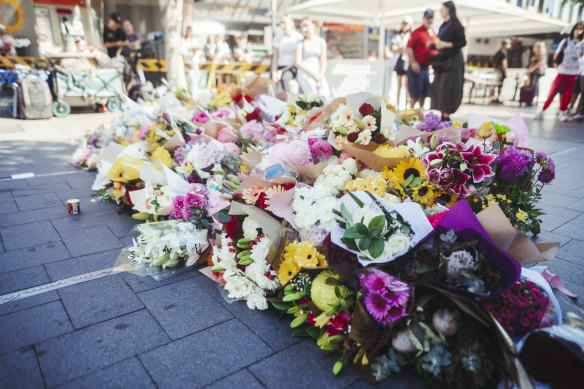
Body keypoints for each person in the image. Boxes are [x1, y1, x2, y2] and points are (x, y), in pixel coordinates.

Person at [535, 22, 584, 121]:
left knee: (568, 93)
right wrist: (556, 65)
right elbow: (556, 55)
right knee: (554, 91)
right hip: (563, 71)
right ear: (573, 29)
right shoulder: (565, 41)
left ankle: (563, 112)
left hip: (574, 72)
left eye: (581, 29)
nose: (578, 30)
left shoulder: (582, 44)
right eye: (577, 28)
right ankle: (542, 110)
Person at [430, 1, 467, 121]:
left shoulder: (457, 25)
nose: (440, 11)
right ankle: (442, 116)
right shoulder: (443, 25)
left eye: (442, 8)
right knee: (440, 87)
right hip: (442, 61)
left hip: (453, 62)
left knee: (448, 87)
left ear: (448, 9)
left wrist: (447, 44)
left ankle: (446, 118)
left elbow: (462, 42)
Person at [406, 9, 436, 109]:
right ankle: (410, 115)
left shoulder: (433, 33)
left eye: (431, 18)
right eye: (428, 18)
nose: (429, 20)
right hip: (416, 67)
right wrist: (413, 62)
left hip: (426, 68)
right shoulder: (417, 32)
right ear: (423, 19)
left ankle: (420, 114)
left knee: (424, 94)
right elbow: (408, 48)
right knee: (415, 94)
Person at [294, 17, 330, 97]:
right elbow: (297, 62)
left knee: (325, 93)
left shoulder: (321, 41)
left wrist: (320, 76)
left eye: (306, 25)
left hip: (318, 70)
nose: (304, 29)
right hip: (305, 71)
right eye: (302, 27)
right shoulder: (300, 43)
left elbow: (323, 61)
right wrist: (314, 75)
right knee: (313, 94)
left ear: (313, 25)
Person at [272, 14, 303, 92]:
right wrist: (273, 72)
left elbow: (296, 61)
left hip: (292, 67)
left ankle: (287, 102)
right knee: (270, 83)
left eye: (284, 22)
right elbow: (275, 58)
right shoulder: (278, 37)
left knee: (285, 78)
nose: (282, 25)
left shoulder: (298, 37)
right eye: (281, 23)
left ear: (292, 23)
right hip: (279, 67)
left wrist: (281, 71)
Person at [390, 16, 413, 110]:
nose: (404, 25)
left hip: (408, 63)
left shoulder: (411, 36)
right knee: (399, 86)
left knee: (407, 85)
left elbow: (408, 49)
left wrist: (401, 49)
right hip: (399, 63)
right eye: (403, 23)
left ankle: (407, 106)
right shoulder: (397, 35)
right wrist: (402, 49)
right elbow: (394, 48)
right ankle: (398, 105)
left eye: (406, 24)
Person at [181, 26, 202, 95]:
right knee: (191, 79)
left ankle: (194, 95)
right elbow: (183, 51)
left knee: (196, 79)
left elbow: (199, 51)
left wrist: (195, 51)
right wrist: (190, 51)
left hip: (195, 61)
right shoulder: (183, 40)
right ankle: (192, 95)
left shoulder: (195, 40)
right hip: (188, 63)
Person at [526, 41, 547, 105]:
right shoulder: (536, 54)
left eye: (535, 46)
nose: (534, 47)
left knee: (535, 85)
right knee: (533, 85)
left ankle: (534, 99)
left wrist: (532, 69)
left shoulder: (541, 54)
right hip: (533, 72)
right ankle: (531, 99)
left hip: (537, 72)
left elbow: (539, 63)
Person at [491, 39, 512, 104]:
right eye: (508, 44)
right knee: (500, 85)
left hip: (496, 70)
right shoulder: (504, 52)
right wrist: (505, 72)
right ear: (504, 45)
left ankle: (493, 97)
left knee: (494, 84)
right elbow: (504, 63)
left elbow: (494, 63)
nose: (509, 46)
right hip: (501, 71)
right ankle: (497, 98)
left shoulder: (498, 52)